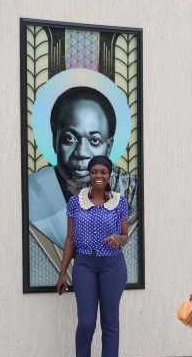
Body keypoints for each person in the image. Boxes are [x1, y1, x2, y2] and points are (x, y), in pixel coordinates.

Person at [55, 155, 128, 357]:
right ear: (90, 173)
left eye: (103, 172)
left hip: (112, 265)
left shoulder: (119, 202)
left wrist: (119, 239)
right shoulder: (76, 202)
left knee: (110, 323)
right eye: (95, 171)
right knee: (86, 323)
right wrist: (63, 272)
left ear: (109, 176)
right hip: (84, 263)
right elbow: (69, 239)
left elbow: (125, 236)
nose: (99, 176)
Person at [28, 86, 135, 249]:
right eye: (69, 138)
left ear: (109, 146)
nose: (81, 152)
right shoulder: (33, 191)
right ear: (54, 141)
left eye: (94, 140)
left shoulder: (130, 192)